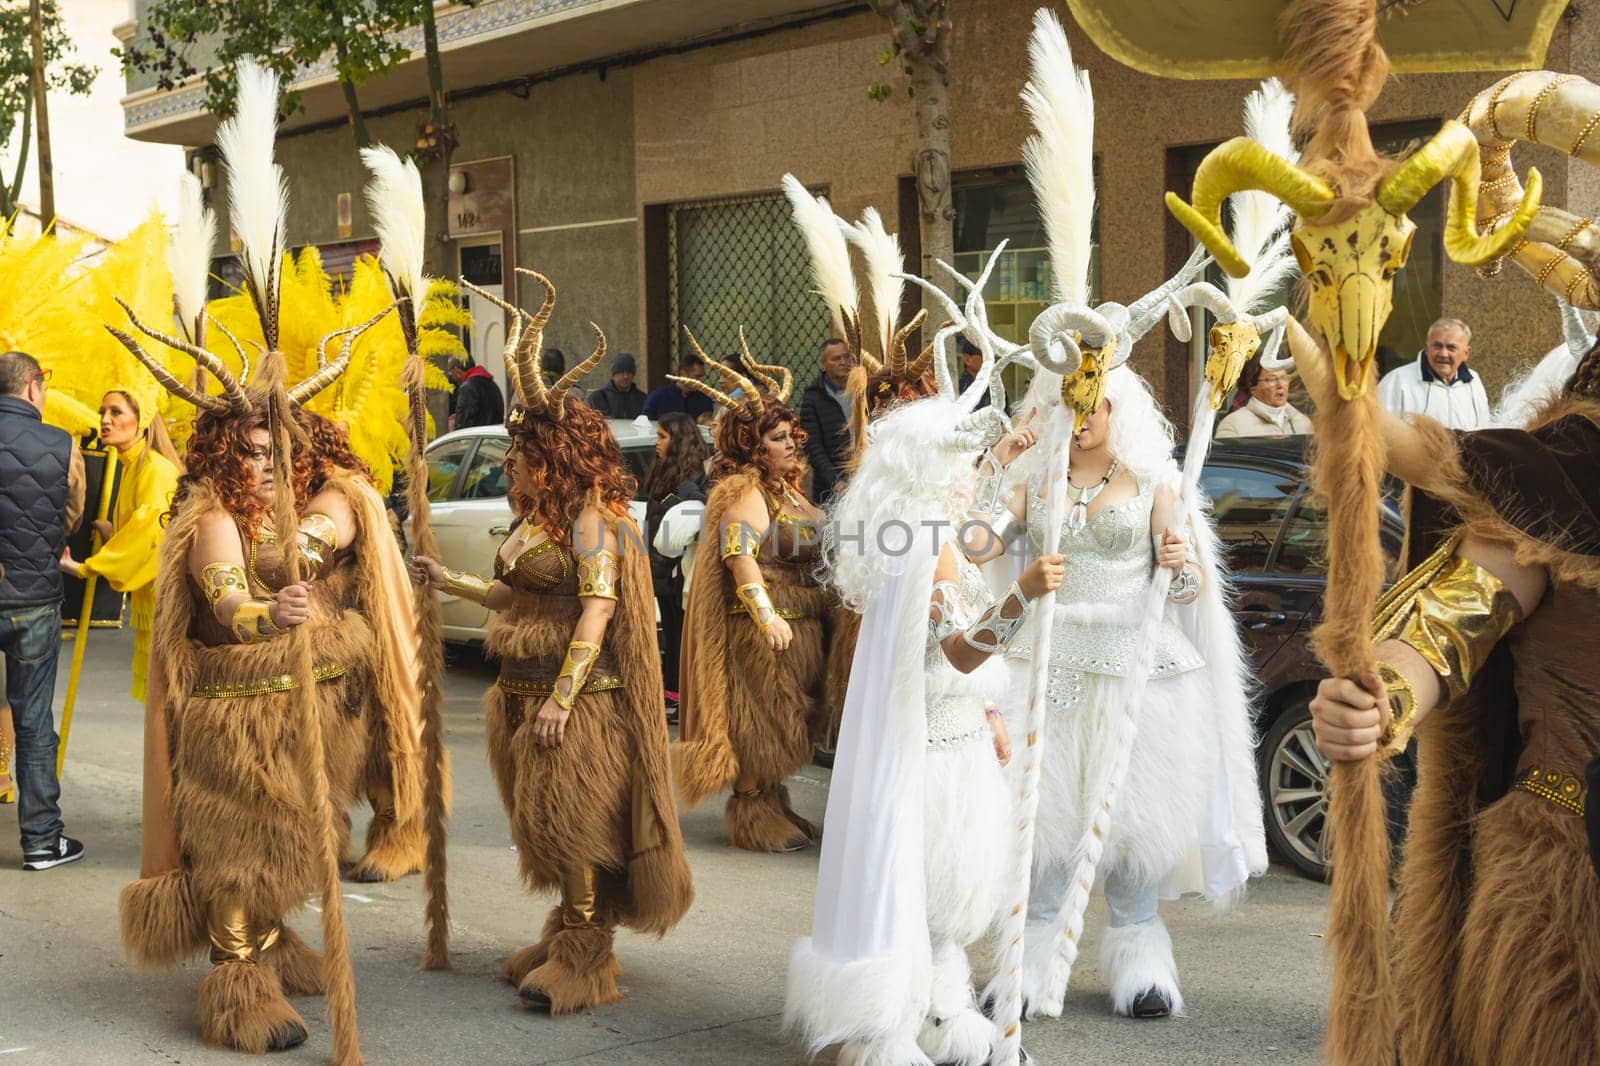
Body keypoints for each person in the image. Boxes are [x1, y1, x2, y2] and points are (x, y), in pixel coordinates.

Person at [412, 302, 691, 1015]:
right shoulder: (536, 519)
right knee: (541, 826)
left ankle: (584, 956)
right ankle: (565, 931)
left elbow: (598, 610)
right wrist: (448, 582)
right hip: (518, 695)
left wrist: (564, 699)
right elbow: (509, 598)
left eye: (521, 457)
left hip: (577, 703)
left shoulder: (595, 520)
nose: (511, 465)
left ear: (553, 460)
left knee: (577, 823)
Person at [786, 372, 1064, 1064]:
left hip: (953, 738)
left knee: (941, 896)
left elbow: (976, 542)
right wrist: (1023, 597)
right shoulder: (928, 547)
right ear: (938, 474)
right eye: (964, 467)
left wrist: (1001, 462)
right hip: (933, 756)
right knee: (929, 893)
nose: (971, 476)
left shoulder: (911, 533)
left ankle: (941, 1015)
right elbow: (959, 652)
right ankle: (901, 1023)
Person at [978, 367, 1263, 1020]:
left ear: (1117, 410)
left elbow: (1190, 590)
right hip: (1048, 663)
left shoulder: (1157, 481)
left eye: (1092, 409)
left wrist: (1178, 563)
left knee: (1133, 824)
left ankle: (1142, 965)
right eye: (1069, 410)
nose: (1081, 422)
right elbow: (973, 546)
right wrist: (1000, 463)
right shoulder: (1036, 483)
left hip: (1141, 669)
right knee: (1046, 822)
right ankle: (1027, 963)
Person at [675, 355, 832, 852]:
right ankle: (751, 813)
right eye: (778, 438)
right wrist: (765, 615)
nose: (792, 444)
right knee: (759, 718)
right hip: (762, 627)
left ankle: (773, 799)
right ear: (752, 445)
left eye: (792, 435)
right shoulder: (744, 492)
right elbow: (739, 557)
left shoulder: (789, 490)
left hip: (803, 619)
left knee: (790, 720)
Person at [0, 351, 85, 871]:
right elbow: (69, 516)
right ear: (33, 385)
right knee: (33, 718)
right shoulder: (62, 444)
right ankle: (40, 841)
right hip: (33, 599)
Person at [61, 390, 182, 703]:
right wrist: (115, 532)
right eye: (103, 411)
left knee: (166, 695)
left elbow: (151, 532)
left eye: (116, 412)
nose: (105, 420)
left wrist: (86, 567)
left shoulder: (156, 468)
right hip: (151, 598)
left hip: (165, 598)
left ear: (140, 422)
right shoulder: (135, 466)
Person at [643, 412, 711, 720]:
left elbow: (707, 508)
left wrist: (688, 494)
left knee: (683, 635)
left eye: (662, 436)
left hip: (681, 568)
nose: (656, 443)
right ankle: (673, 696)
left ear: (679, 440)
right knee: (671, 634)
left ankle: (683, 698)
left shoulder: (696, 475)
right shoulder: (661, 470)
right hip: (659, 566)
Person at [1377, 317, 1491, 429]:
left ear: (1466, 353)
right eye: (1437, 346)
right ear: (1427, 349)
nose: (1443, 354)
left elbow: (1484, 428)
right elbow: (1378, 430)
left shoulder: (1473, 381)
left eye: (1451, 348)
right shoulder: (1396, 380)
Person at [797, 337, 853, 502]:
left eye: (846, 357)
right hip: (832, 486)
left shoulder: (862, 389)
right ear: (824, 363)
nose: (843, 362)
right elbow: (812, 445)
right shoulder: (814, 396)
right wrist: (835, 481)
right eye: (836, 359)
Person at [1214, 356, 1313, 438]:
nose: (1280, 385)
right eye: (1271, 379)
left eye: (1284, 378)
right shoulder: (1232, 425)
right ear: (1253, 388)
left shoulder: (1303, 423)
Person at [642, 349, 715, 421]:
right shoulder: (658, 397)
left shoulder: (705, 400)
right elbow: (646, 425)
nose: (701, 381)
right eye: (697, 376)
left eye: (702, 376)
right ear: (683, 373)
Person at [447, 357, 505, 430]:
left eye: (451, 375)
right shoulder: (492, 384)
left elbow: (463, 423)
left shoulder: (467, 388)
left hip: (476, 438)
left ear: (456, 370)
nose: (453, 379)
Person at [586, 351, 646, 419]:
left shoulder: (642, 399)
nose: (625, 376)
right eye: (621, 372)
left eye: (629, 372)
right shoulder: (598, 398)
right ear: (613, 374)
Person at [956, 335, 1004, 410]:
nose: (991, 359)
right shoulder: (959, 387)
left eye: (992, 355)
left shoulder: (994, 385)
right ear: (967, 359)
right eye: (985, 354)